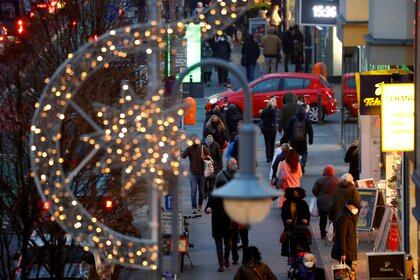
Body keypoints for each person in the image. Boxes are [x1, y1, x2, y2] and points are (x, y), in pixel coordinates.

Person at [205, 158, 238, 272]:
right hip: (216, 224)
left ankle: (226, 258)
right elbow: (207, 207)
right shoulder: (214, 196)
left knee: (228, 245)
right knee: (219, 245)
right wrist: (208, 209)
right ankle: (221, 264)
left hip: (227, 224)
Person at [181, 134, 210, 213]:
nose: (194, 141)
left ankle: (200, 206)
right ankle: (194, 207)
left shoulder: (202, 148)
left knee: (201, 191)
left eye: (195, 139)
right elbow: (183, 156)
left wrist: (205, 157)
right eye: (193, 140)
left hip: (201, 173)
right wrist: (185, 149)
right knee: (193, 190)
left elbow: (209, 156)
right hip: (193, 173)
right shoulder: (189, 149)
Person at [312, 165, 339, 239]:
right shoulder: (336, 180)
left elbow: (314, 190)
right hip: (332, 202)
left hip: (321, 201)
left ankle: (323, 233)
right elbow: (338, 191)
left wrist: (319, 196)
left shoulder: (319, 180)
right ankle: (332, 232)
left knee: (322, 218)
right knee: (332, 218)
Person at [281, 188, 310, 257]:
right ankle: (290, 254)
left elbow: (307, 214)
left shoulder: (303, 203)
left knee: (301, 239)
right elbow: (283, 214)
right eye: (294, 194)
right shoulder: (286, 203)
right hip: (289, 226)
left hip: (300, 227)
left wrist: (306, 220)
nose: (295, 195)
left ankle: (302, 251)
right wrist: (286, 220)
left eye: (297, 193)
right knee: (289, 239)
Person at [331, 202, 358, 273]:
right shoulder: (344, 217)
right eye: (355, 207)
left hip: (348, 249)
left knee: (348, 271)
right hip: (346, 250)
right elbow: (341, 236)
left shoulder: (348, 215)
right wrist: (343, 253)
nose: (356, 209)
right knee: (346, 272)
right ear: (350, 206)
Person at [286, 106, 314, 174]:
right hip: (303, 140)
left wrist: (288, 139)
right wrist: (310, 139)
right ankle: (302, 163)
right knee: (304, 153)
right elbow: (310, 130)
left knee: (295, 154)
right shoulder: (306, 120)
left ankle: (296, 167)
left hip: (293, 140)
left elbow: (288, 130)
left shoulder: (293, 119)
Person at [203, 134, 223, 199]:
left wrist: (220, 166)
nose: (209, 138)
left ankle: (210, 195)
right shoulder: (202, 145)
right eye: (208, 136)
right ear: (205, 138)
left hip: (213, 166)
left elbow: (219, 156)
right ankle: (205, 192)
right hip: (204, 167)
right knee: (204, 181)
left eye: (210, 137)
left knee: (212, 182)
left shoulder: (216, 145)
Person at [259, 98, 278, 162]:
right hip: (273, 129)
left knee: (267, 143)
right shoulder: (275, 110)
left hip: (265, 129)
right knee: (272, 143)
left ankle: (268, 157)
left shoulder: (265, 110)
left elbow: (261, 117)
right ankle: (272, 156)